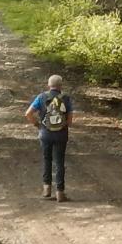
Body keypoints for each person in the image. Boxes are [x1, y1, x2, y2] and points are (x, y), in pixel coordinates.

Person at [25, 74, 73, 203]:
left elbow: (28, 113)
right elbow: (70, 120)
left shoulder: (41, 97)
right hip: (61, 134)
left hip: (45, 133)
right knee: (60, 162)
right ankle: (60, 193)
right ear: (60, 86)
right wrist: (62, 126)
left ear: (48, 85)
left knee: (47, 159)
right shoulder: (66, 98)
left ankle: (46, 190)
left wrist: (38, 125)